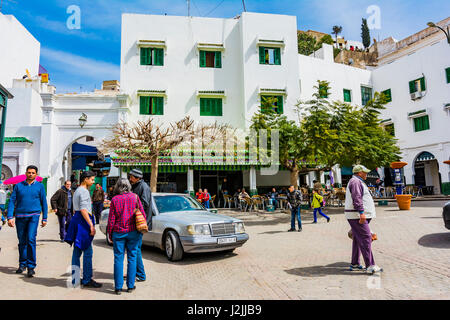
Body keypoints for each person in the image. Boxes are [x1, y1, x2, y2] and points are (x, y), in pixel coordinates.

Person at [7, 165, 48, 278]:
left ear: (36, 174)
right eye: (29, 172)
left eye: (33, 173)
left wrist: (45, 217)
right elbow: (12, 201)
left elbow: (43, 202)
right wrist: (10, 217)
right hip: (20, 216)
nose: (30, 174)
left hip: (33, 216)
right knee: (22, 241)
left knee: (30, 239)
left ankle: (31, 266)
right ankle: (22, 264)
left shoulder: (40, 186)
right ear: (26, 173)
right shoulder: (18, 186)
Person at [107, 178, 146, 295]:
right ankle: (130, 286)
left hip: (118, 232)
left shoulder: (114, 199)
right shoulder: (134, 197)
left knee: (118, 259)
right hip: (133, 232)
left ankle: (118, 287)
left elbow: (111, 219)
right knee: (132, 258)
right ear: (129, 186)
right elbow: (142, 214)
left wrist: (109, 233)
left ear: (118, 187)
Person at [65, 171, 102, 288]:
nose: (93, 181)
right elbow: (83, 210)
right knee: (87, 252)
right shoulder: (84, 191)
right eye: (92, 179)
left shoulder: (76, 191)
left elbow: (75, 209)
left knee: (76, 252)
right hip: (83, 221)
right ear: (85, 179)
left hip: (77, 220)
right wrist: (91, 225)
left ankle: (75, 279)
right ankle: (87, 279)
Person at [345, 165, 383, 274]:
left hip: (357, 215)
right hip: (357, 216)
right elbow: (357, 198)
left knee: (358, 238)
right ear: (359, 173)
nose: (366, 174)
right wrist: (361, 213)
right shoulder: (355, 182)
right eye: (364, 172)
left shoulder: (357, 181)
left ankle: (355, 263)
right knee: (366, 238)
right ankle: (370, 265)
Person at [128, 169, 150, 283]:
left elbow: (144, 204)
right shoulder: (136, 186)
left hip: (139, 223)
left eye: (131, 177)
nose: (130, 178)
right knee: (135, 249)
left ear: (137, 177)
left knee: (135, 249)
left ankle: (140, 275)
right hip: (136, 222)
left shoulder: (143, 187)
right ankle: (134, 272)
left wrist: (132, 209)